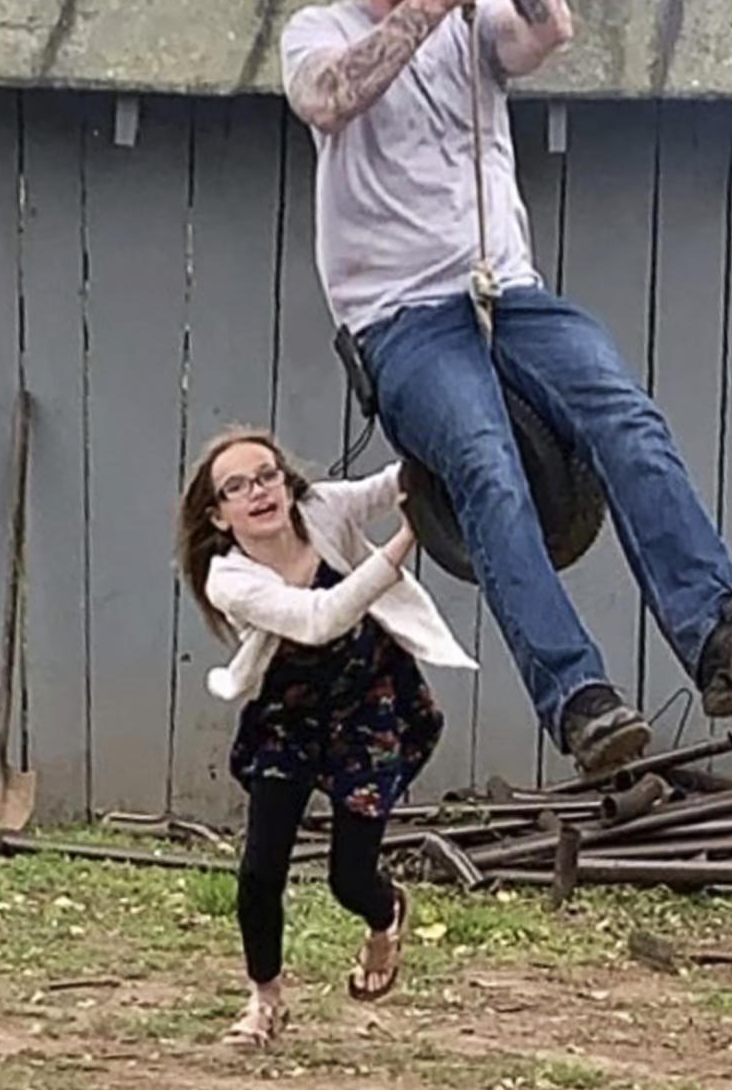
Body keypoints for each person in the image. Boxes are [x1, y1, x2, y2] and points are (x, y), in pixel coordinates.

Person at [279, 0, 732, 778]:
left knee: (624, 416)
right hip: (401, 321)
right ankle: (580, 700)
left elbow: (553, 24)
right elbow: (329, 98)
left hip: (506, 293)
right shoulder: (319, 27)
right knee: (484, 464)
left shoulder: (480, 30)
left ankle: (720, 632)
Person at [178, 427, 475, 1046]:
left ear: (285, 482)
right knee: (261, 872)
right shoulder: (228, 579)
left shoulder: (321, 508)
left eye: (266, 476)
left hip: (371, 707)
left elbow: (394, 483)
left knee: (349, 878)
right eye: (237, 487)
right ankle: (264, 1002)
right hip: (288, 717)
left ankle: (385, 915)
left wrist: (451, 445)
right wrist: (402, 543)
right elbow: (318, 620)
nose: (258, 492)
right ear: (219, 514)